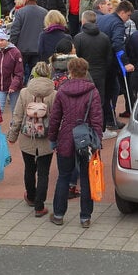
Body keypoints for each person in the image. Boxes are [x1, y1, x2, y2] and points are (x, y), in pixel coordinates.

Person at [47, 57, 103, 229]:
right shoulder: (93, 92)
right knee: (86, 178)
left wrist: (52, 138)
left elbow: (55, 118)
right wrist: (97, 141)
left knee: (63, 176)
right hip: (86, 138)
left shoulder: (62, 91)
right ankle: (85, 217)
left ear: (70, 72)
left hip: (66, 136)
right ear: (85, 71)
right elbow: (97, 119)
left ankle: (58, 214)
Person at [6, 62, 56, 217]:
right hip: (46, 139)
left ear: (34, 74)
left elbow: (18, 115)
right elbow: (56, 119)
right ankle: (39, 206)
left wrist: (12, 135)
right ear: (49, 74)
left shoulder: (25, 92)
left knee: (29, 169)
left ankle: (31, 197)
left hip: (27, 137)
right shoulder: (53, 93)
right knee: (43, 172)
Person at [9, 0, 48, 81]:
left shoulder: (20, 12)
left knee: (19, 75)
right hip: (38, 49)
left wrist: (11, 46)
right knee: (36, 76)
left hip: (22, 49)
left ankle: (23, 93)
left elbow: (15, 32)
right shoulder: (44, 12)